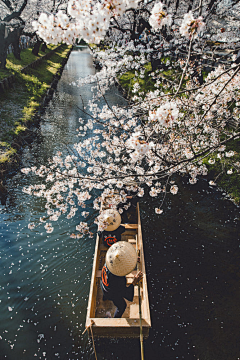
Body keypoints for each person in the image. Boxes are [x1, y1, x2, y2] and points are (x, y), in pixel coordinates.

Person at [100, 241, 143, 318]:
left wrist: (132, 259)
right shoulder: (118, 280)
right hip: (111, 292)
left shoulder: (109, 260)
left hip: (103, 284)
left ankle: (104, 298)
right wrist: (134, 282)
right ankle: (116, 319)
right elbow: (125, 293)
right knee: (122, 306)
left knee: (106, 291)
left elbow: (120, 258)